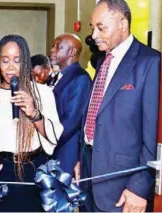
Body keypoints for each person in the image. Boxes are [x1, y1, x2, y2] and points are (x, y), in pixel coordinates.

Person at [77, 0, 160, 212]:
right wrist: (81, 157)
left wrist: (140, 187)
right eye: (92, 28)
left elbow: (152, 134)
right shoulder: (104, 60)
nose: (94, 36)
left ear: (123, 24)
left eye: (101, 28)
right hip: (91, 176)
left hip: (124, 189)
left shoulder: (149, 62)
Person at [0, 34, 64, 212]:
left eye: (17, 60)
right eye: (5, 61)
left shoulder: (43, 93)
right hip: (3, 169)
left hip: (36, 169)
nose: (11, 68)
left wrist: (34, 113)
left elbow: (54, 136)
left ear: (26, 63)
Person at [49, 34, 92, 175]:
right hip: (55, 148)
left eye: (58, 46)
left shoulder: (81, 78)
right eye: (52, 46)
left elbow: (71, 121)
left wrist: (46, 138)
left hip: (67, 150)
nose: (52, 50)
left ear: (72, 52)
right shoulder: (56, 76)